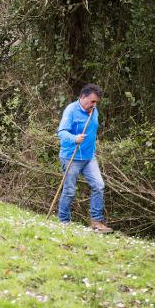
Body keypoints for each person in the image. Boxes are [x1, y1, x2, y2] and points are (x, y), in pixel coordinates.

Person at [57, 83, 113, 233]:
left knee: (99, 185)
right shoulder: (71, 111)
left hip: (89, 158)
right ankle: (63, 222)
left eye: (96, 102)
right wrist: (74, 138)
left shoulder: (93, 111)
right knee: (69, 190)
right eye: (92, 101)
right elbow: (61, 132)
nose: (94, 105)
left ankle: (97, 222)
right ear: (83, 97)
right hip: (71, 157)